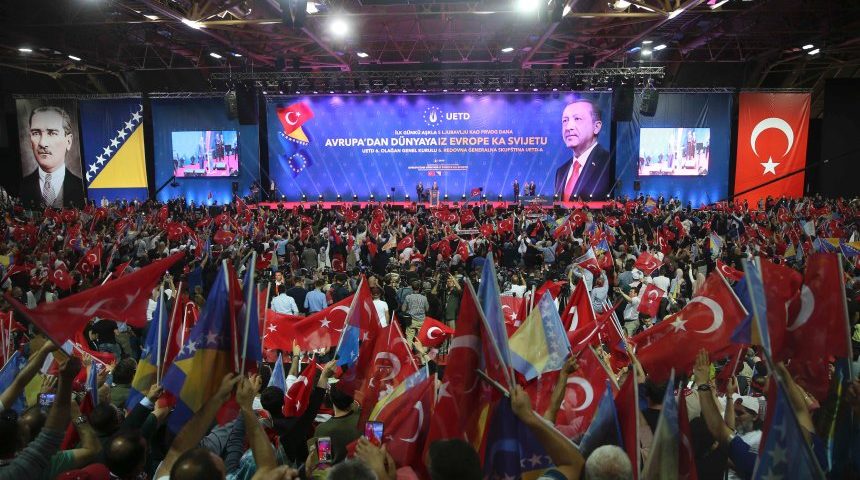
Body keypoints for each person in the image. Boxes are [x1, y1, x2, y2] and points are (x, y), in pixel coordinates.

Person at [20, 106, 85, 208]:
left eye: (52, 133)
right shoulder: (20, 187)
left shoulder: (83, 186)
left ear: (68, 141)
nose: (42, 143)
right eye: (36, 133)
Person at [554, 99, 611, 200]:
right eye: (565, 121)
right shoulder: (561, 172)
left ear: (596, 127)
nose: (568, 127)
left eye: (577, 119)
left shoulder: (609, 164)